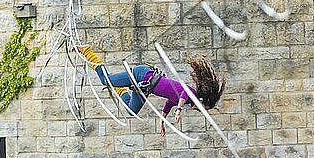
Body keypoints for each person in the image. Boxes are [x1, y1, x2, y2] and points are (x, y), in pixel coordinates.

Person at [79, 45, 225, 137]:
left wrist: (162, 122)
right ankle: (88, 52)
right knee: (106, 80)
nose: (197, 110)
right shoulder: (190, 93)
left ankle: (119, 88)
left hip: (144, 87)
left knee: (131, 111)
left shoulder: (186, 100)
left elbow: (169, 103)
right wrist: (179, 109)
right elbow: (184, 93)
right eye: (200, 109)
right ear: (201, 101)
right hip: (142, 75)